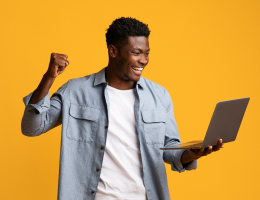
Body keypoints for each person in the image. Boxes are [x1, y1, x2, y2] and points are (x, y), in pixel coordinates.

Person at [21, 17, 224, 200]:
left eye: (146, 53)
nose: (143, 60)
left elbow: (170, 149)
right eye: (136, 53)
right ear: (113, 51)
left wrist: (194, 153)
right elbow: (32, 127)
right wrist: (49, 78)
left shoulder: (159, 95)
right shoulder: (75, 91)